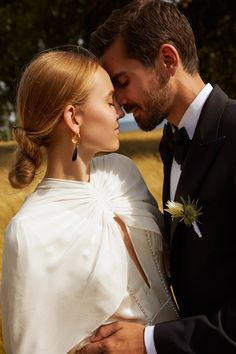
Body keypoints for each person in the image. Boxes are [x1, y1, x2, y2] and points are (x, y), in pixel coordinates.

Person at [79, 0, 236, 353]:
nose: (117, 103)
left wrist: (149, 341)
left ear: (167, 60)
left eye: (122, 81)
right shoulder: (172, 143)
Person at [1, 47, 178, 354]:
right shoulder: (30, 231)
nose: (120, 112)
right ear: (73, 117)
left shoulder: (123, 172)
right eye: (110, 101)